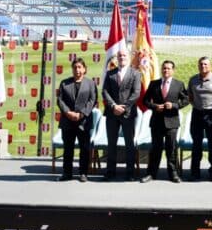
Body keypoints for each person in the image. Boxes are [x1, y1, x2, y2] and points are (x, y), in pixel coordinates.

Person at [141, 60, 187, 183]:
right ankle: (151, 173)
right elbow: (145, 101)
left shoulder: (179, 84)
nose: (166, 70)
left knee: (171, 149)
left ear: (173, 70)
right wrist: (155, 106)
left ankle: (173, 174)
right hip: (156, 121)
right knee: (155, 148)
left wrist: (174, 105)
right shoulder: (154, 84)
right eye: (164, 68)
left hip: (172, 121)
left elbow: (186, 100)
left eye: (168, 68)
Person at [100, 50, 140, 181]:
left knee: (129, 144)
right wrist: (113, 106)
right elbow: (105, 91)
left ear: (128, 58)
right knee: (111, 143)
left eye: (124, 56)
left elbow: (136, 93)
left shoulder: (135, 73)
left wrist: (124, 107)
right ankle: (110, 172)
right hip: (112, 113)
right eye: (119, 56)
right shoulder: (110, 73)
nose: (122, 58)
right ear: (117, 58)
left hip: (128, 113)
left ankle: (130, 173)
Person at [56, 57, 98, 182]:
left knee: (84, 150)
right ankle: (67, 173)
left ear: (84, 69)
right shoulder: (64, 83)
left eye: (80, 67)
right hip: (67, 122)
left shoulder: (90, 83)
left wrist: (81, 114)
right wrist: (68, 113)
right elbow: (60, 100)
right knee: (68, 149)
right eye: (75, 68)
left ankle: (83, 173)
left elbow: (93, 100)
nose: (77, 70)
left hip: (83, 122)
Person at [187, 56, 212, 181]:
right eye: (201, 64)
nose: (203, 66)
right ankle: (194, 172)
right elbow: (190, 97)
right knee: (196, 143)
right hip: (197, 113)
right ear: (198, 66)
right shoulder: (193, 80)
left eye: (205, 64)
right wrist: (197, 106)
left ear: (210, 66)